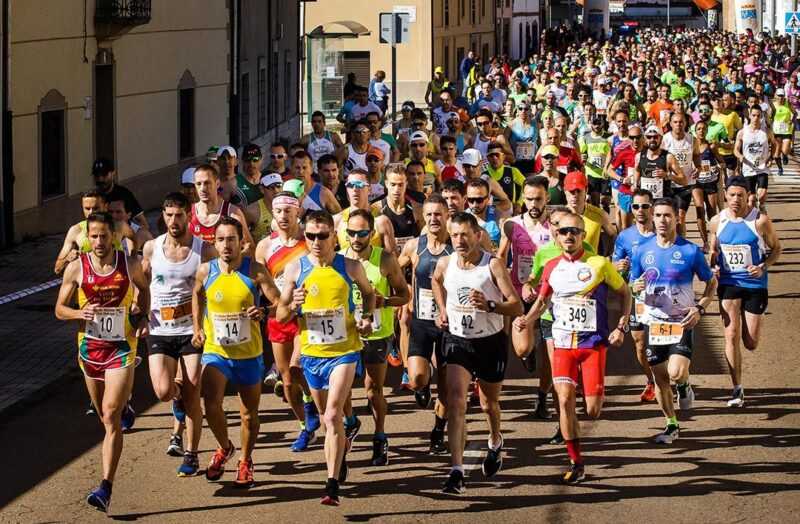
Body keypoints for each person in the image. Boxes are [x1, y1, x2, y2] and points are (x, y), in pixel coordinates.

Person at [518, 212, 631, 483]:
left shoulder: (600, 264)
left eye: (575, 232)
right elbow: (543, 301)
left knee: (592, 410)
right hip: (562, 344)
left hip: (592, 345)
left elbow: (625, 293)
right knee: (565, 399)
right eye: (564, 231)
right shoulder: (551, 266)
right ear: (556, 237)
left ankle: (585, 389)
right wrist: (527, 319)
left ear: (583, 235)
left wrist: (621, 326)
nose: (569, 236)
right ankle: (576, 461)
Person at [276, 210, 376, 506]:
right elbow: (280, 315)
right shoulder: (295, 269)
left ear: (334, 235)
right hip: (312, 355)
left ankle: (331, 485)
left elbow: (368, 294)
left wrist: (367, 317)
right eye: (310, 236)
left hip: (344, 352)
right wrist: (292, 305)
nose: (317, 241)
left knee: (333, 415)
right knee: (325, 418)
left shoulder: (350, 266)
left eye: (322, 235)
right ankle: (341, 449)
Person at [55, 212, 150, 511]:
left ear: (114, 236)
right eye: (93, 236)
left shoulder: (129, 264)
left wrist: (141, 315)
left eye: (103, 236)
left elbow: (145, 289)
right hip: (90, 349)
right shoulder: (76, 268)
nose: (98, 241)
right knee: (102, 415)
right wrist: (78, 314)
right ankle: (120, 416)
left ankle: (105, 487)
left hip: (122, 347)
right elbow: (59, 308)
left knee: (110, 414)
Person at [432, 212, 522, 494]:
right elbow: (435, 280)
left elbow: (516, 306)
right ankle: (456, 471)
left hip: (490, 341)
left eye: (465, 235)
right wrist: (442, 308)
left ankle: (495, 440)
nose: (459, 240)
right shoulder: (445, 263)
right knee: (457, 402)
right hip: (457, 340)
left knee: (488, 404)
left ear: (477, 235)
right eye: (454, 235)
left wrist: (491, 306)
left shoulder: (492, 265)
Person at [191, 217, 280, 487]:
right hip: (216, 351)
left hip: (249, 354)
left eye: (232, 239)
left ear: (242, 243)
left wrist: (264, 311)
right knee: (211, 403)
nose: (227, 245)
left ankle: (245, 460)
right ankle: (224, 446)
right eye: (221, 239)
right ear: (214, 243)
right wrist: (197, 327)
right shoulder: (205, 271)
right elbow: (196, 295)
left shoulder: (256, 271)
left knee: (248, 414)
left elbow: (279, 303)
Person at [630, 198, 717, 444]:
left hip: (681, 321)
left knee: (676, 373)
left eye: (667, 215)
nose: (661, 220)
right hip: (655, 323)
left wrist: (701, 307)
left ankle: (684, 386)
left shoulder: (690, 251)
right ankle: (671, 424)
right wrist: (634, 286)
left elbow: (711, 282)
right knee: (660, 378)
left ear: (677, 218)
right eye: (657, 215)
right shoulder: (642, 250)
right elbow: (634, 284)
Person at [142, 193, 216, 476]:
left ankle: (192, 453)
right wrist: (139, 310)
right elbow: (142, 281)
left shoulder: (203, 250)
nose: (174, 221)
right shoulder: (152, 248)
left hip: (191, 331)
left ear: (189, 216)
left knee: (192, 392)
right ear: (163, 215)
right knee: (163, 391)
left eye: (179, 215)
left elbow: (214, 287)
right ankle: (175, 400)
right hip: (160, 329)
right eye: (169, 215)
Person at [340, 209, 410, 465]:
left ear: (371, 233)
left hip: (378, 333)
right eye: (351, 233)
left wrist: (385, 301)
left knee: (373, 390)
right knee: (342, 388)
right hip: (346, 332)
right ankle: (350, 421)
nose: (355, 238)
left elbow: (405, 295)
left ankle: (379, 435)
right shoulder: (339, 259)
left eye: (361, 233)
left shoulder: (385, 260)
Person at [254, 192, 322, 451]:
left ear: (298, 212)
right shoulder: (264, 246)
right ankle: (306, 425)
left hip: (307, 315)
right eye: (278, 211)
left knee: (297, 367)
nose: (283, 216)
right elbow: (258, 281)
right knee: (287, 381)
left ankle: (318, 407)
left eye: (288, 211)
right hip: (278, 314)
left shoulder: (310, 241)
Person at [708, 177, 781, 407]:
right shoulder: (716, 221)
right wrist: (714, 264)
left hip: (754, 285)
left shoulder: (759, 221)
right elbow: (712, 249)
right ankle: (737, 388)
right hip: (729, 283)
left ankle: (750, 328)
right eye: (732, 195)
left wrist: (763, 267)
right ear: (725, 195)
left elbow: (776, 249)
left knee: (750, 342)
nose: (736, 199)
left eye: (741, 195)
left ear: (748, 196)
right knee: (730, 335)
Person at [397, 195, 453, 454]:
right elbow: (394, 271)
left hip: (448, 326)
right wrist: (405, 290)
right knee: (418, 378)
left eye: (438, 214)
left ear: (447, 217)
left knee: (447, 386)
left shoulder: (455, 249)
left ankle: (438, 430)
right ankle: (422, 388)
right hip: (421, 320)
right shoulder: (413, 246)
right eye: (429, 214)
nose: (433, 219)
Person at [612, 189, 657, 402]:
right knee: (640, 344)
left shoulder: (663, 232)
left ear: (652, 208)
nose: (640, 211)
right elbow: (613, 265)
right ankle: (652, 381)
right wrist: (618, 266)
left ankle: (669, 379)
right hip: (636, 297)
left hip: (660, 298)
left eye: (645, 206)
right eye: (636, 206)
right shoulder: (625, 236)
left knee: (661, 342)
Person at [54, 191, 136, 275]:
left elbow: (134, 239)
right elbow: (57, 269)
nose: (91, 212)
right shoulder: (76, 231)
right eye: (87, 208)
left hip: (117, 280)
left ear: (105, 207)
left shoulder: (119, 226)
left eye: (96, 208)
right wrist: (67, 259)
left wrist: (133, 260)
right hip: (90, 284)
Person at [189, 164, 253, 253]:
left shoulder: (233, 213)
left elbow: (249, 247)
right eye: (198, 184)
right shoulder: (189, 214)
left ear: (217, 183)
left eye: (207, 183)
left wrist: (228, 260)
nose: (203, 188)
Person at [334, 171, 396, 253]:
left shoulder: (381, 221)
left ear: (369, 189)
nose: (355, 189)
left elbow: (391, 257)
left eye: (359, 185)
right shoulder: (337, 220)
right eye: (350, 185)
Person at [734, 105, 775, 211]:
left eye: (758, 116)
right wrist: (740, 156)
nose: (756, 118)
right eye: (754, 115)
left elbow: (774, 144)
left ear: (761, 117)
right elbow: (736, 150)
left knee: (761, 195)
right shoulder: (742, 132)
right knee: (751, 199)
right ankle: (754, 218)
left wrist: (771, 158)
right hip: (748, 168)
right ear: (749, 116)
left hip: (762, 167)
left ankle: (762, 206)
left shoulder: (766, 132)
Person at [91, 157, 148, 231]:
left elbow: (143, 223)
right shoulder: (92, 198)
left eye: (104, 175)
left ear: (113, 173)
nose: (100, 179)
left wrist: (135, 237)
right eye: (97, 175)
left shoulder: (124, 194)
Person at [295, 151, 342, 215]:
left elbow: (341, 219)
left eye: (304, 167)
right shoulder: (285, 190)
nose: (301, 171)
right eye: (297, 168)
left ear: (311, 169)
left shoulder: (324, 193)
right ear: (291, 168)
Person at [230, 143, 265, 208]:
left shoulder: (267, 180)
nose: (251, 163)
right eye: (247, 160)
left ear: (261, 159)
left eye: (255, 159)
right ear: (242, 160)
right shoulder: (233, 183)